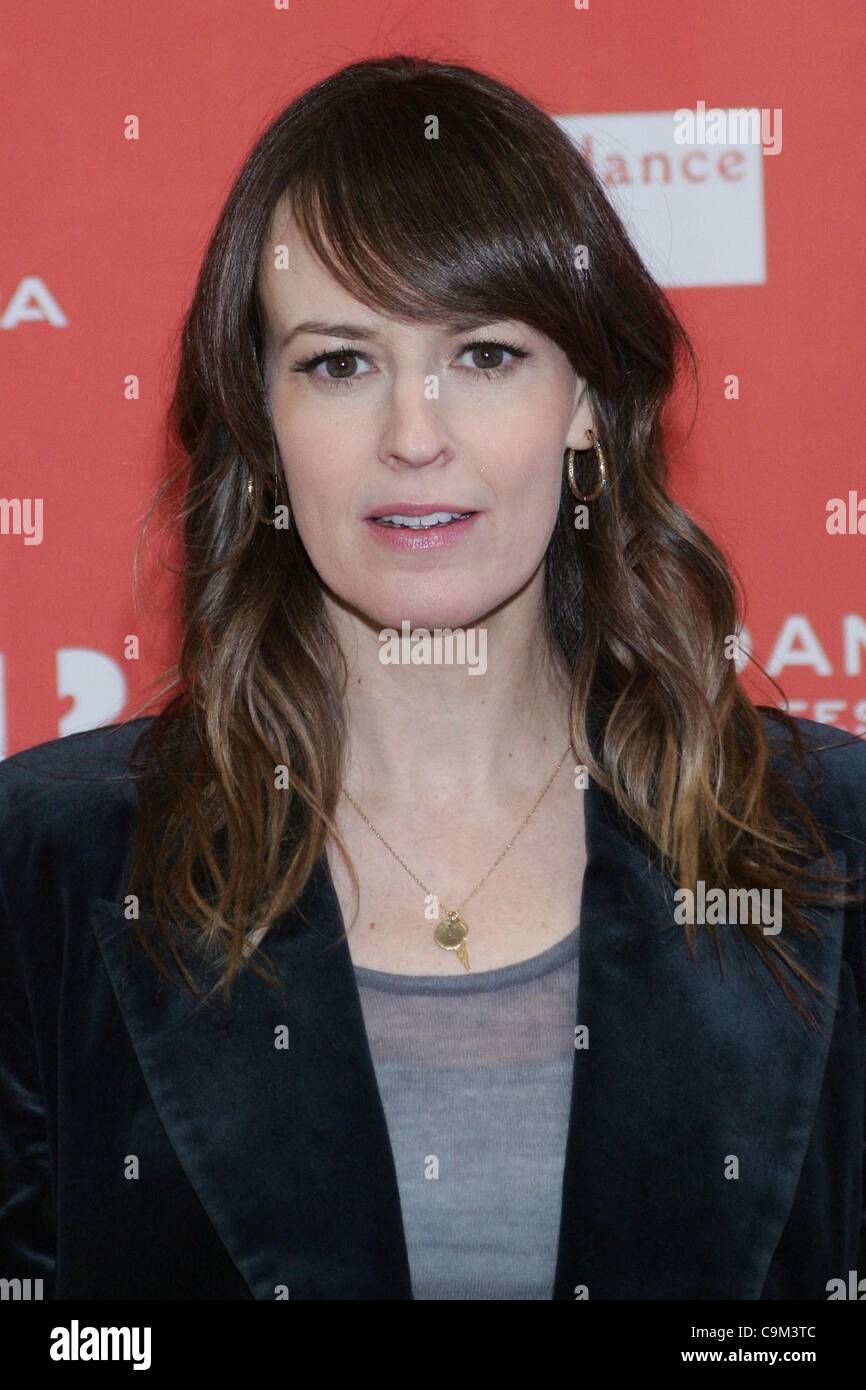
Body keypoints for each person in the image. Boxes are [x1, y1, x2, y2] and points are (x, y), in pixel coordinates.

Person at [1, 53, 864, 1303]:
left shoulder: (828, 843)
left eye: (486, 354)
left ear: (585, 403)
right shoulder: (49, 866)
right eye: (338, 363)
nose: (414, 433)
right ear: (260, 414)